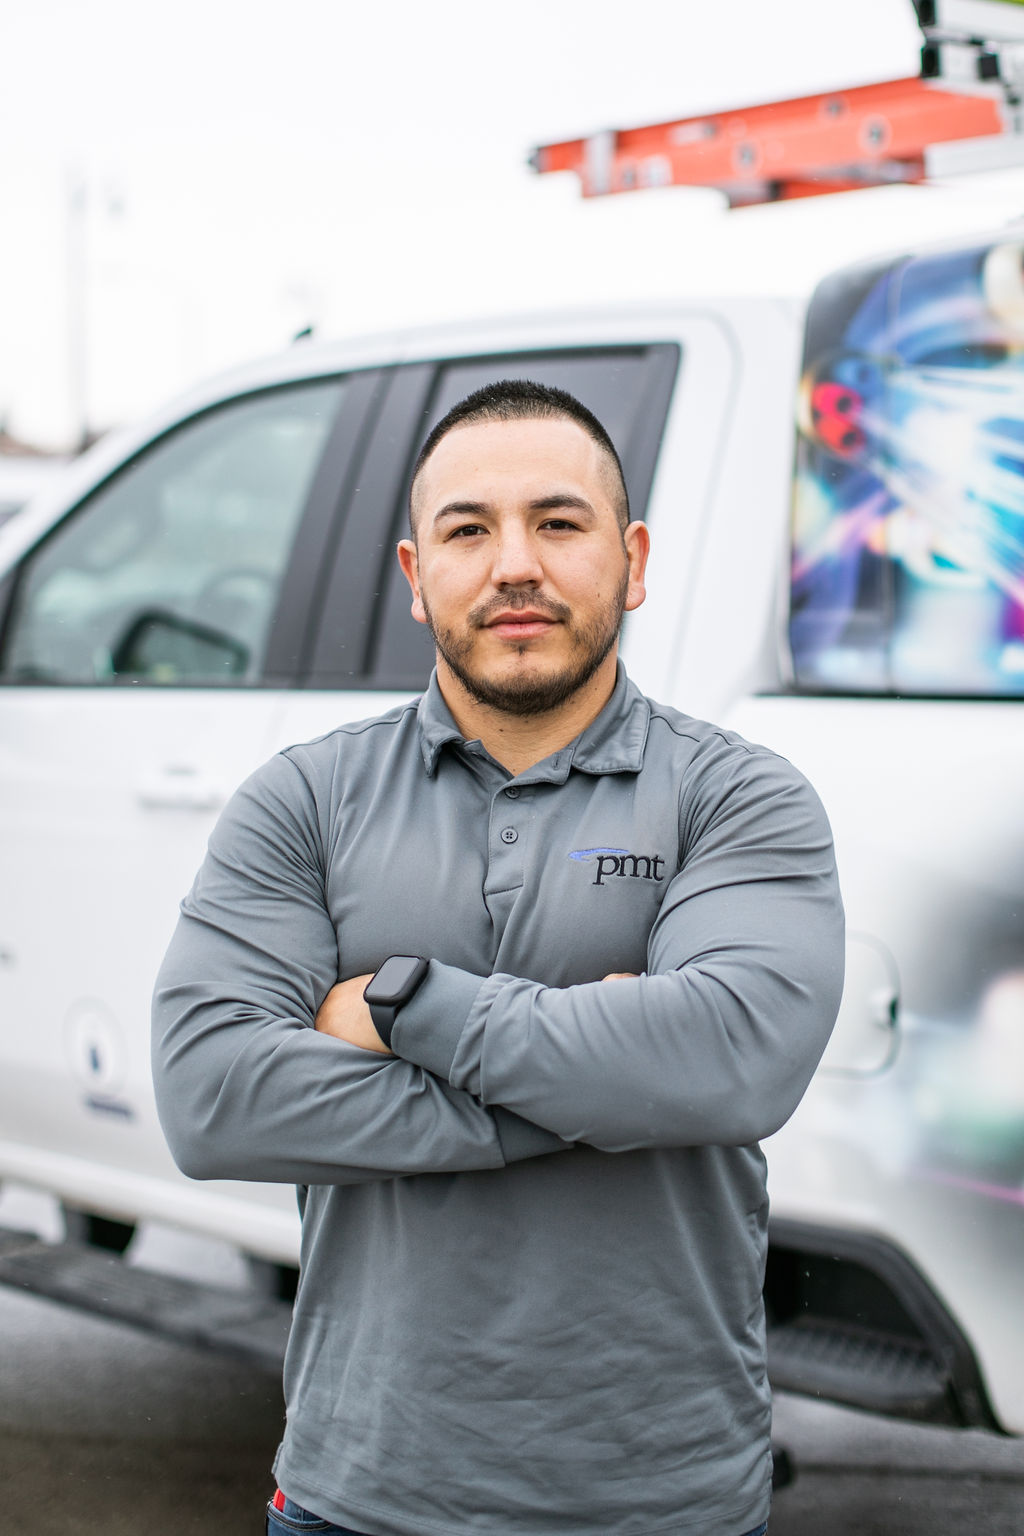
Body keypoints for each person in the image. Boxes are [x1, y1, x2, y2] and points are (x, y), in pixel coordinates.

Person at [152, 379, 845, 1536]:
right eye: (468, 530)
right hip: (356, 1494)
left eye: (558, 523)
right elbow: (211, 1099)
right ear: (416, 575)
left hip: (659, 1501)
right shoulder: (304, 800)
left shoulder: (737, 798)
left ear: (632, 560)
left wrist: (403, 1005)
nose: (514, 564)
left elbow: (735, 1060)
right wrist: (604, 1087)